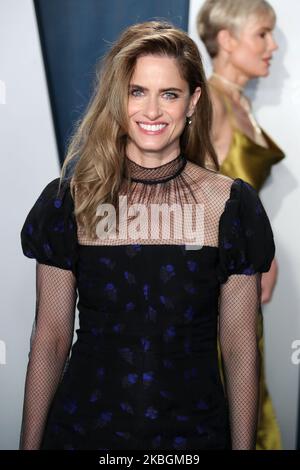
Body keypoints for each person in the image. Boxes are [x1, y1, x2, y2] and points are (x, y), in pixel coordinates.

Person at [20, 20, 275, 450]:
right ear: (118, 98)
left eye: (169, 94)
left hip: (194, 438)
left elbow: (239, 346)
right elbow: (51, 337)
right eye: (137, 91)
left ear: (193, 101)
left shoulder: (231, 206)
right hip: (84, 433)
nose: (152, 111)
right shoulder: (71, 200)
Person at [197, 0, 285, 450]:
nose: (273, 46)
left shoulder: (236, 100)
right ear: (227, 41)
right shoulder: (209, 100)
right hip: (219, 280)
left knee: (247, 379)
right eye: (263, 34)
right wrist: (249, 254)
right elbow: (193, 193)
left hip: (242, 273)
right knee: (229, 383)